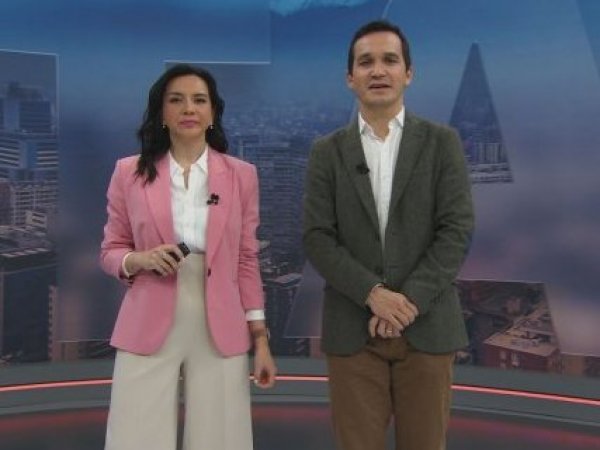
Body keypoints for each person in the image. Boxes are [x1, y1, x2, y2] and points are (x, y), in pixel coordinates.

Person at [303, 20, 474, 450]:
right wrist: (373, 294)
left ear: (408, 73)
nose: (378, 70)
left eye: (389, 60)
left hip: (428, 328)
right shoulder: (326, 152)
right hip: (353, 332)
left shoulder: (442, 142)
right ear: (350, 77)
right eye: (366, 62)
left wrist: (406, 302)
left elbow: (456, 230)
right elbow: (318, 237)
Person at [100, 63, 276, 450]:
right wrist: (140, 260)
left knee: (221, 438)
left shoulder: (242, 175)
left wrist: (260, 338)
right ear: (161, 113)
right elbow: (111, 251)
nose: (188, 108)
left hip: (221, 320)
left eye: (199, 100)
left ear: (213, 113)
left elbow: (247, 260)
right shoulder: (128, 172)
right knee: (135, 436)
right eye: (176, 100)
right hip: (148, 314)